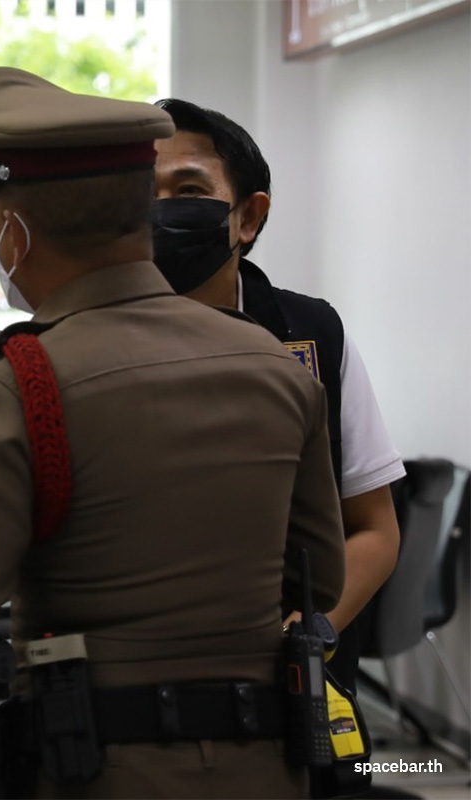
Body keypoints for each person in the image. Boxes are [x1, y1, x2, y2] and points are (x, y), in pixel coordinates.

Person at [0, 67, 346, 799]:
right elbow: (320, 568)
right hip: (267, 769)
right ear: (143, 219)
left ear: (13, 232)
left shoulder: (26, 379)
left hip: (91, 771)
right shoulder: (274, 362)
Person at [150, 97, 404, 695]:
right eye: (139, 191)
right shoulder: (77, 340)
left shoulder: (311, 333)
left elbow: (374, 527)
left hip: (292, 689)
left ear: (248, 217)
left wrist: (308, 634)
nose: (159, 211)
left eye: (187, 188)